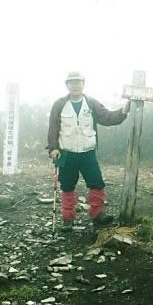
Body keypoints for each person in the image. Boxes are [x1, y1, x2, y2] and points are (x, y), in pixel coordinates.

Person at [47, 71, 130, 232]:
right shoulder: (59, 105)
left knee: (96, 182)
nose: (75, 85)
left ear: (83, 84)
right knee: (67, 186)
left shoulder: (91, 103)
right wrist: (53, 148)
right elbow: (53, 128)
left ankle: (97, 215)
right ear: (67, 85)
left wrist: (123, 112)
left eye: (78, 82)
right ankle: (67, 219)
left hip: (88, 152)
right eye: (72, 83)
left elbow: (107, 117)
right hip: (66, 153)